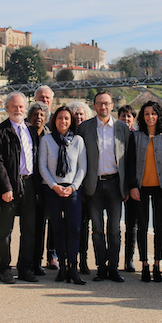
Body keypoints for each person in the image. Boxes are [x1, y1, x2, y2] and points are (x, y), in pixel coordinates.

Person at [79, 91, 130, 283]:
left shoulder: (121, 128)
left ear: (112, 105)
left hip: (116, 184)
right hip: (94, 186)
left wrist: (127, 186)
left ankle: (114, 268)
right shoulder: (85, 128)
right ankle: (101, 267)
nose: (103, 107)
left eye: (106, 103)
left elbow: (129, 159)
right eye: (100, 104)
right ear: (94, 106)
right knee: (97, 229)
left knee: (115, 230)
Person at [0, 92, 40, 283]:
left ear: (25, 108)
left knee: (29, 230)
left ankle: (25, 268)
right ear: (7, 108)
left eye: (21, 107)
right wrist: (5, 187)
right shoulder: (0, 131)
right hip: (9, 186)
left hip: (29, 184)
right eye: (14, 107)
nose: (18, 110)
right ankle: (5, 269)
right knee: (5, 231)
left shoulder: (31, 130)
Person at [128, 101, 162, 282]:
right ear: (142, 116)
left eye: (153, 113)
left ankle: (157, 263)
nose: (150, 117)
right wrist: (132, 185)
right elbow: (131, 162)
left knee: (159, 227)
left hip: (160, 188)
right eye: (147, 113)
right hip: (141, 187)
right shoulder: (136, 136)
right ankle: (145, 265)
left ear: (159, 116)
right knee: (142, 226)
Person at [38, 105, 87, 285]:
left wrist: (73, 187)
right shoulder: (47, 140)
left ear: (71, 121)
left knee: (74, 230)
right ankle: (62, 268)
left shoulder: (78, 141)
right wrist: (54, 186)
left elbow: (82, 167)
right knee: (57, 229)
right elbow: (42, 166)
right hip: (52, 190)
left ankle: (74, 268)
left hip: (73, 190)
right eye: (60, 118)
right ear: (54, 120)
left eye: (66, 118)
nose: (63, 121)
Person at [27, 100, 55, 272]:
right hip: (28, 185)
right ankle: (27, 262)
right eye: (35, 114)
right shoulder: (24, 134)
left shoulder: (49, 136)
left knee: (40, 227)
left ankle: (37, 262)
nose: (38, 117)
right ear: (29, 117)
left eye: (41, 115)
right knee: (29, 227)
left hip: (44, 187)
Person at [68, 100, 93, 273]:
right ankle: (69, 260)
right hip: (69, 187)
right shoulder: (66, 134)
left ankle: (83, 260)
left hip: (88, 186)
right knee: (69, 226)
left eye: (81, 113)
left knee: (84, 226)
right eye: (75, 113)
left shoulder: (90, 133)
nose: (78, 116)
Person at [117, 104, 138, 272]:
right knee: (114, 224)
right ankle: (113, 259)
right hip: (115, 184)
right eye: (123, 116)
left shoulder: (138, 136)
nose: (126, 119)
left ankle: (128, 259)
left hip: (132, 185)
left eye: (129, 116)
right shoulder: (112, 134)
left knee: (132, 225)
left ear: (134, 119)